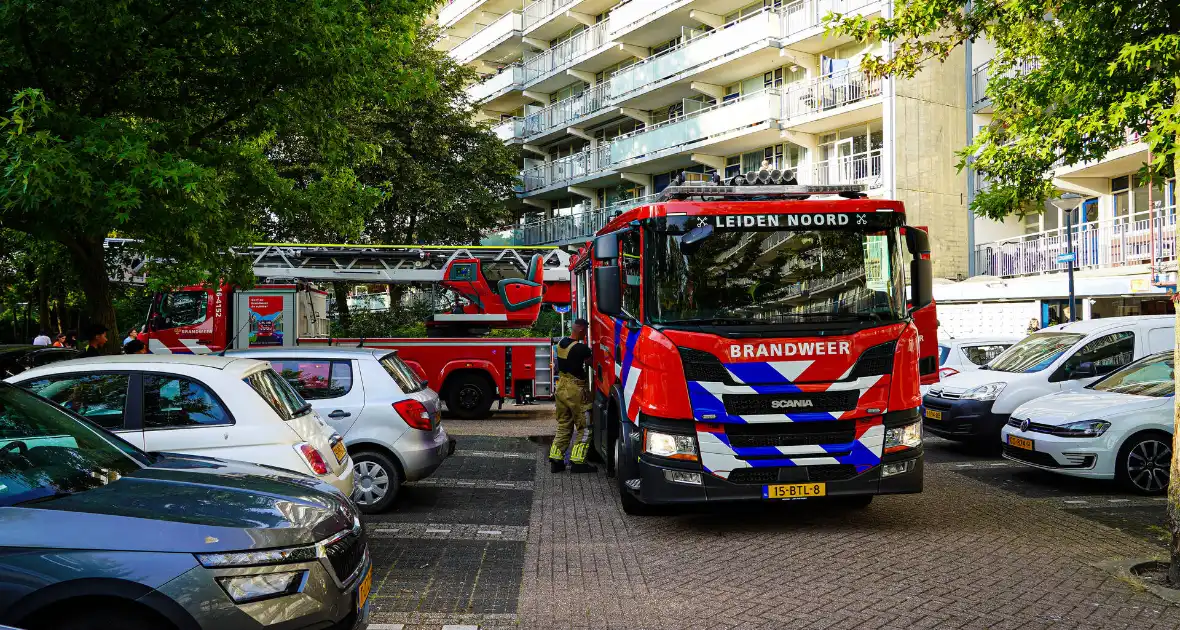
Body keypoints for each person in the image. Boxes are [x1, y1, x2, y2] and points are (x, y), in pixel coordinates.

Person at [549, 318, 596, 474]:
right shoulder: (582, 349)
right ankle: (577, 461)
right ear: (582, 330)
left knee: (564, 424)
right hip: (575, 389)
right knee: (585, 427)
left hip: (561, 386)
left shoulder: (561, 343)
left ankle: (556, 459)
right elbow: (592, 363)